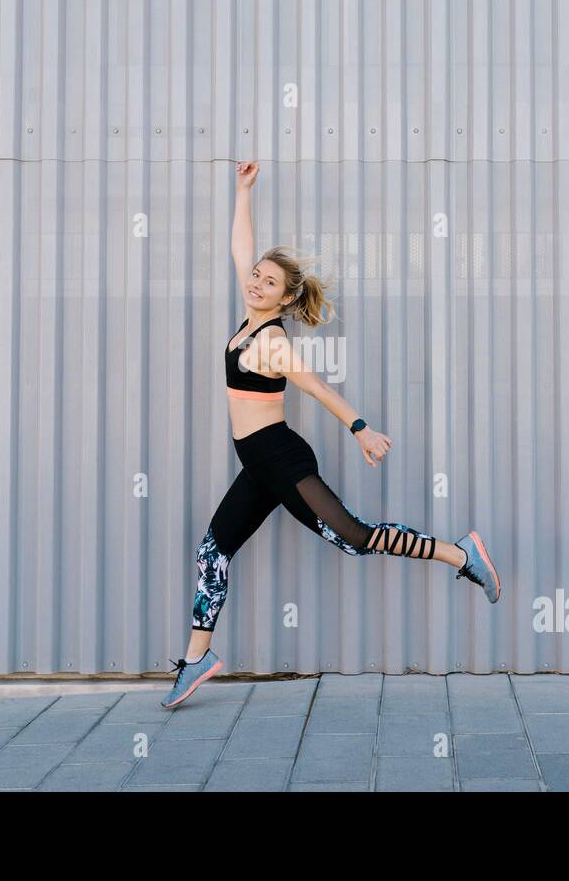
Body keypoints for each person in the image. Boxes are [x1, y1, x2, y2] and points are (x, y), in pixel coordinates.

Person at [162, 161, 500, 708]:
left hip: (281, 459)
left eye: (268, 281)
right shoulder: (248, 317)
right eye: (255, 276)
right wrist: (242, 192)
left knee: (356, 538)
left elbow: (317, 387)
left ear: (285, 300)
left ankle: (460, 554)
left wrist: (361, 429)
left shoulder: (270, 342)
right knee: (212, 552)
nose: (254, 281)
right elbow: (240, 248)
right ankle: (198, 658)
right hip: (259, 464)